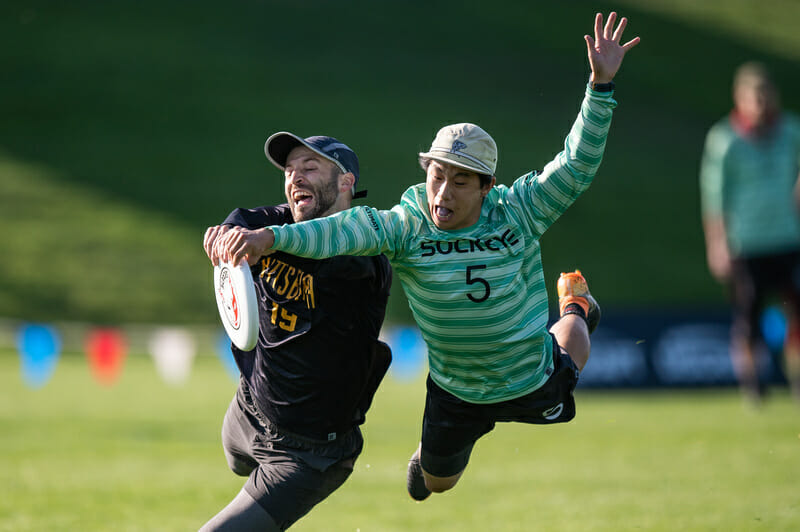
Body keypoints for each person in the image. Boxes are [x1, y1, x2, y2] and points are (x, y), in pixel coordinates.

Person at [213, 11, 639, 501]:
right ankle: (437, 459)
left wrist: (600, 87)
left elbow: (577, 164)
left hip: (527, 374)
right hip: (456, 391)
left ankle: (576, 307)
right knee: (431, 485)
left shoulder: (521, 211)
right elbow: (342, 230)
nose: (444, 192)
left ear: (486, 187)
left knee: (569, 357)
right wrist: (271, 238)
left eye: (460, 181)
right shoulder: (406, 226)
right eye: (437, 175)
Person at [200, 133, 393, 530]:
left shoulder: (363, 256)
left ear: (345, 182)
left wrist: (263, 241)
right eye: (289, 171)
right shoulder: (280, 221)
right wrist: (226, 234)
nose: (295, 178)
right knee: (236, 461)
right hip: (250, 407)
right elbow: (245, 219)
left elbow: (317, 245)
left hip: (309, 453)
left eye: (309, 168)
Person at [700, 61, 800, 404]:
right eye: (752, 96)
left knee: (796, 314)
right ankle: (754, 387)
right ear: (739, 98)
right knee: (749, 321)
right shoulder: (725, 140)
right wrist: (718, 244)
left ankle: (796, 380)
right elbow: (715, 198)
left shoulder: (790, 132)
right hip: (747, 243)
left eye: (764, 95)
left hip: (788, 238)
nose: (759, 103)